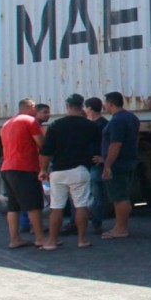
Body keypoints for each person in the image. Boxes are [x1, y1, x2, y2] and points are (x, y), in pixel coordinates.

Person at [39, 94, 102, 250]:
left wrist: (43, 169)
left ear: (67, 106)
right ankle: (82, 240)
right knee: (81, 205)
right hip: (80, 170)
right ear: (82, 107)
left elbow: (46, 151)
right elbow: (97, 149)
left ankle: (52, 241)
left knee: (57, 206)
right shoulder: (91, 126)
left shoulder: (55, 125)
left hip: (58, 171)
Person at [0, 98, 46, 249]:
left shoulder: (7, 124)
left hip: (7, 168)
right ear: (30, 107)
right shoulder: (30, 121)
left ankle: (15, 239)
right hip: (24, 168)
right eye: (34, 108)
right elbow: (42, 144)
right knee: (34, 204)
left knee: (13, 207)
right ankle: (40, 238)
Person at [99, 91, 139, 239]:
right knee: (123, 195)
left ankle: (121, 229)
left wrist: (107, 165)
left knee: (119, 197)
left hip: (118, 164)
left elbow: (115, 144)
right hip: (128, 161)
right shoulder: (131, 117)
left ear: (110, 103)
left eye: (106, 104)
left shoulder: (117, 121)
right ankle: (119, 226)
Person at [84, 97, 109, 234]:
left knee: (95, 194)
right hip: (94, 163)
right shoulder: (105, 123)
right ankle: (96, 223)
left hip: (94, 164)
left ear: (89, 109)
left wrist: (103, 158)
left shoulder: (97, 125)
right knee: (97, 195)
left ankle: (95, 222)